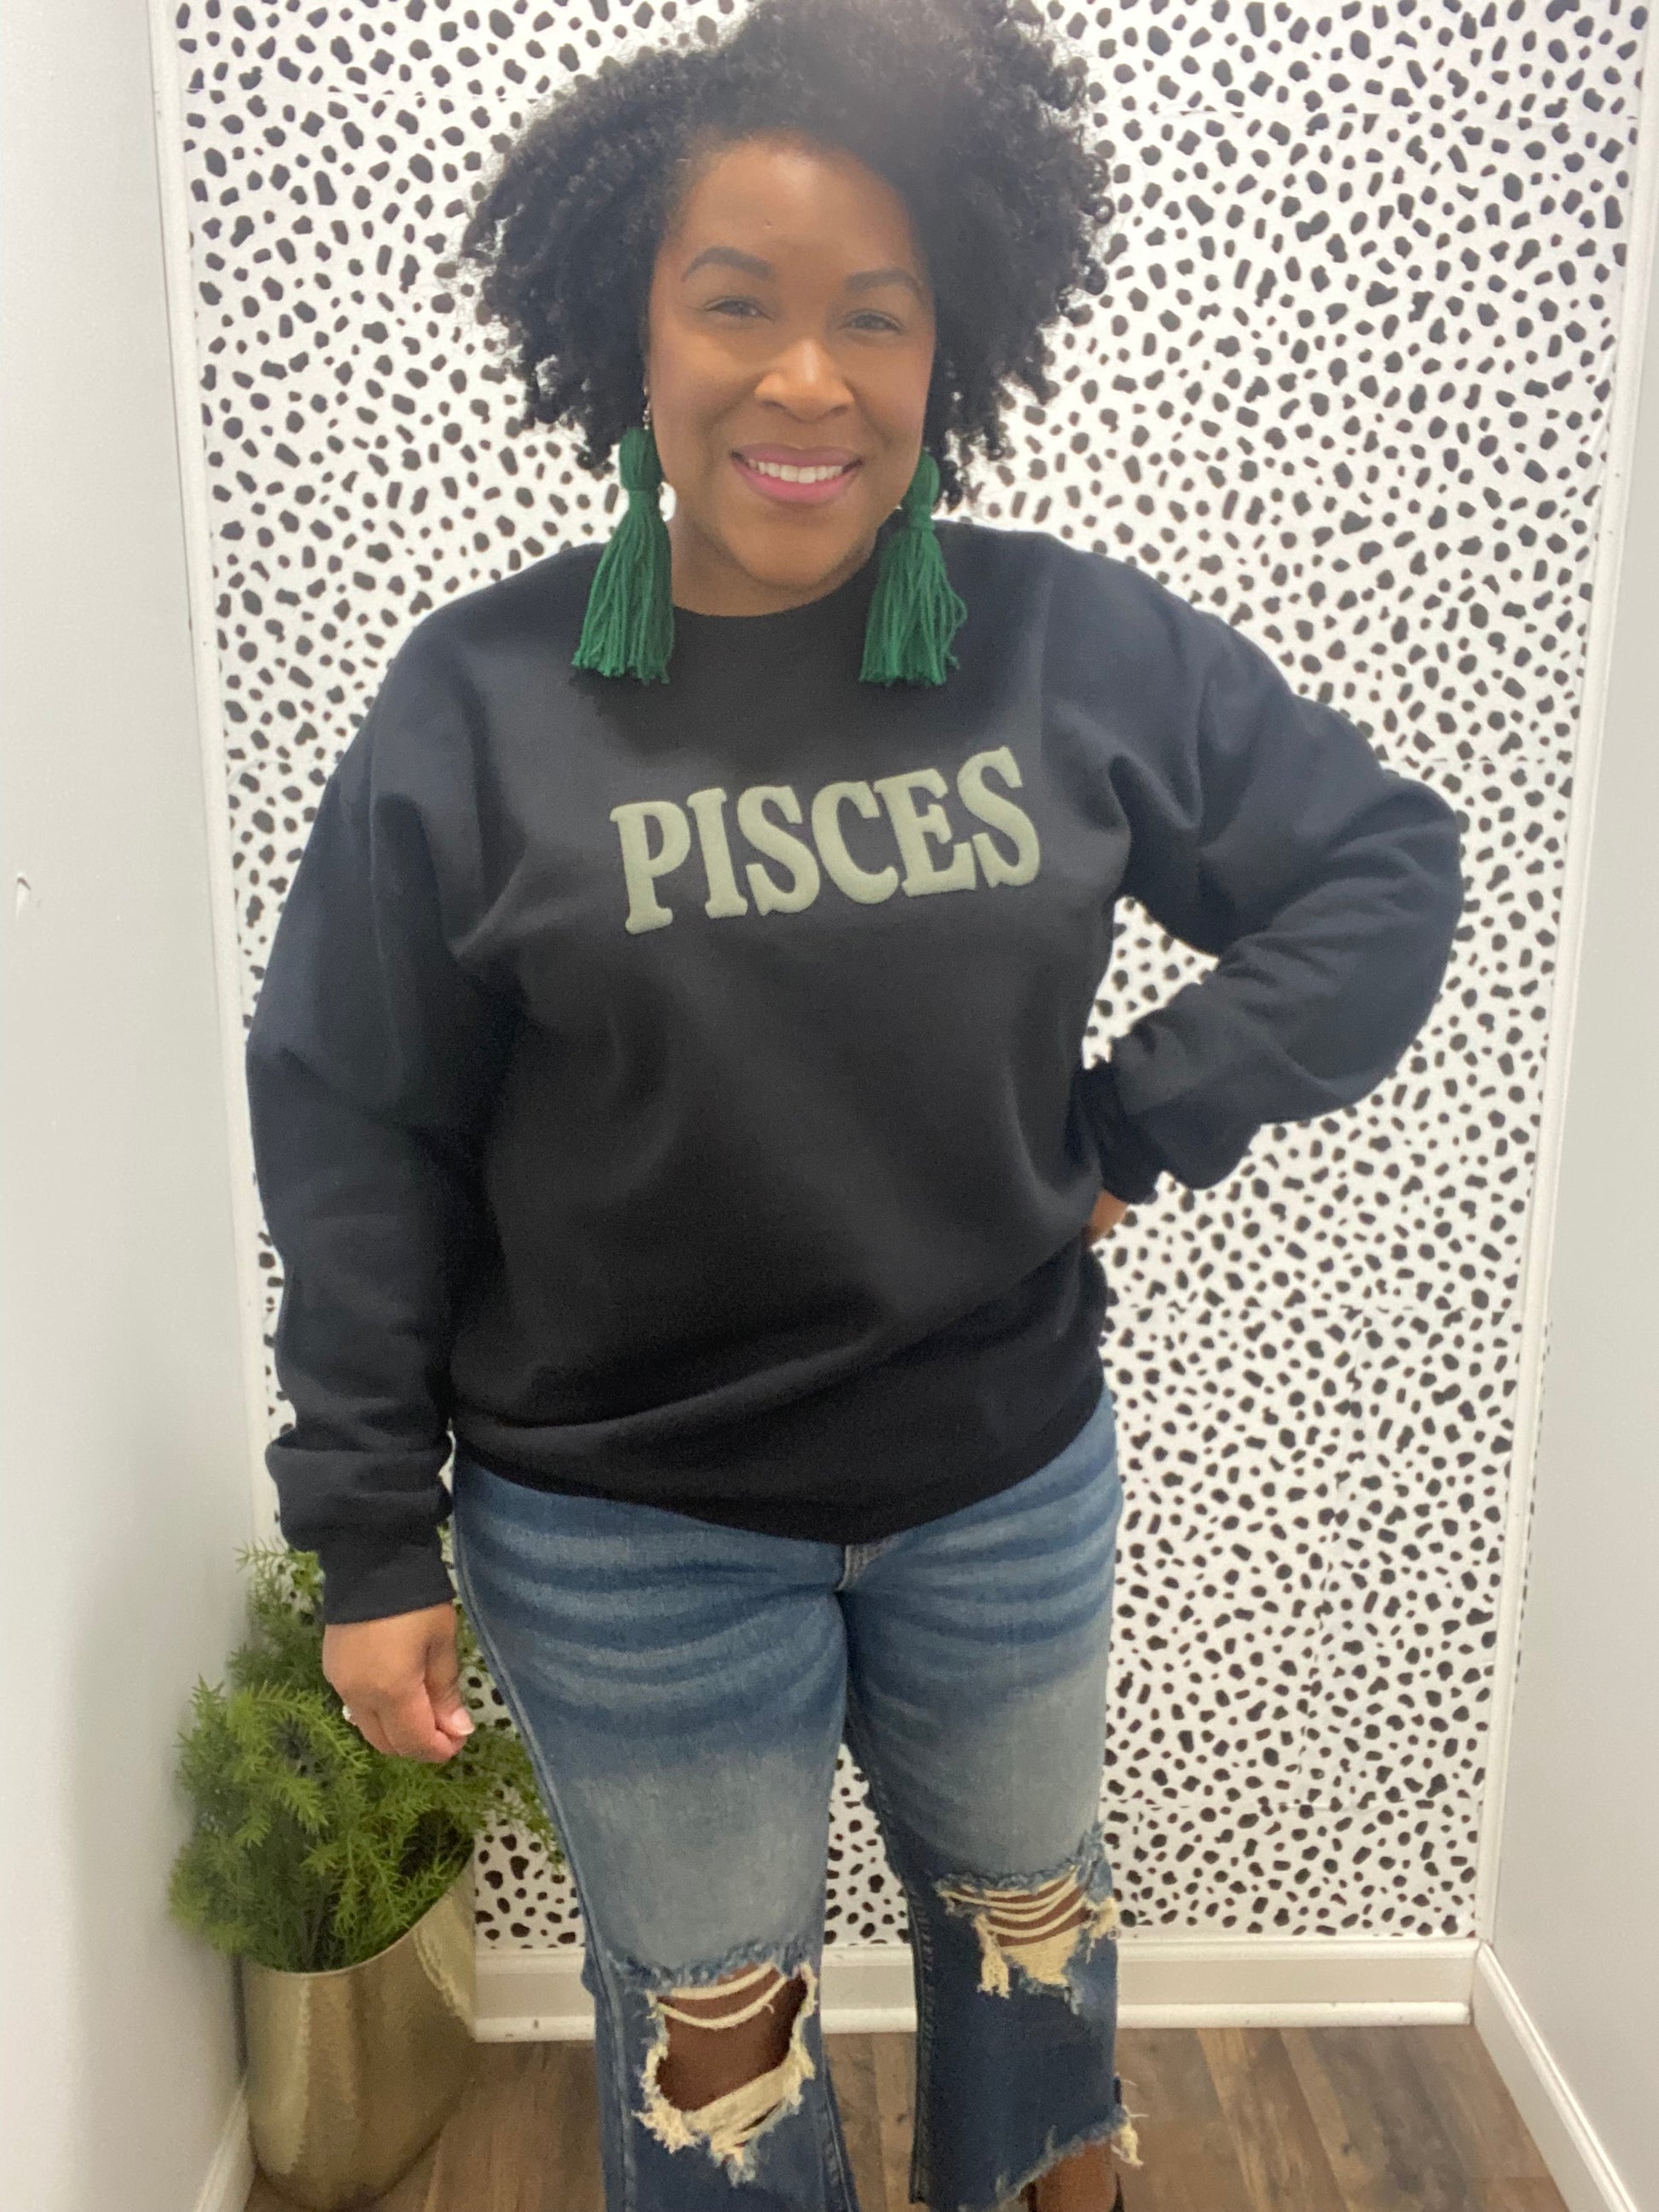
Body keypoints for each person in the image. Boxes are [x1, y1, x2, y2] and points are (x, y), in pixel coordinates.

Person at [241, 0, 1465, 2206]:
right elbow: (354, 1123)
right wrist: (366, 1530)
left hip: (1000, 1478)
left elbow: (1377, 871)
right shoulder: (479, 703)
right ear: (634, 332)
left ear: (944, 351)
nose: (806, 377)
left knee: (1034, 1946)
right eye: (737, 303)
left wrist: (1138, 1121)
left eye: (872, 318)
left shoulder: (1064, 647)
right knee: (720, 2051)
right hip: (626, 1531)